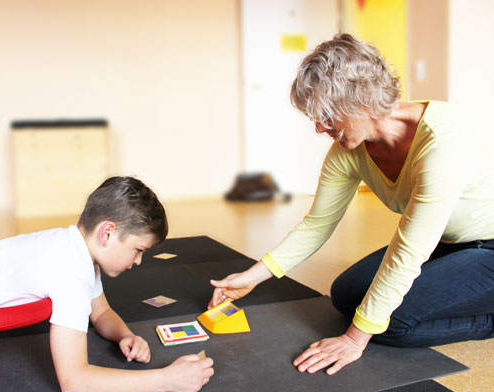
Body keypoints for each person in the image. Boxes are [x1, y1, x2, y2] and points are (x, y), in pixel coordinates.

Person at [209, 33, 494, 376]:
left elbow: (409, 250)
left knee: (386, 324)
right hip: (446, 245)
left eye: (326, 114)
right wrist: (252, 277)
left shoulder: (444, 143)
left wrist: (355, 340)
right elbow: (317, 224)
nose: (318, 128)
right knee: (346, 295)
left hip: (487, 249)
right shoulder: (350, 151)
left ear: (360, 100)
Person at [0, 176, 214, 392]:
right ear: (107, 233)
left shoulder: (72, 245)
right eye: (138, 250)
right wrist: (166, 380)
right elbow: (74, 381)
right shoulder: (69, 271)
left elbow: (101, 312)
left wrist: (124, 335)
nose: (138, 261)